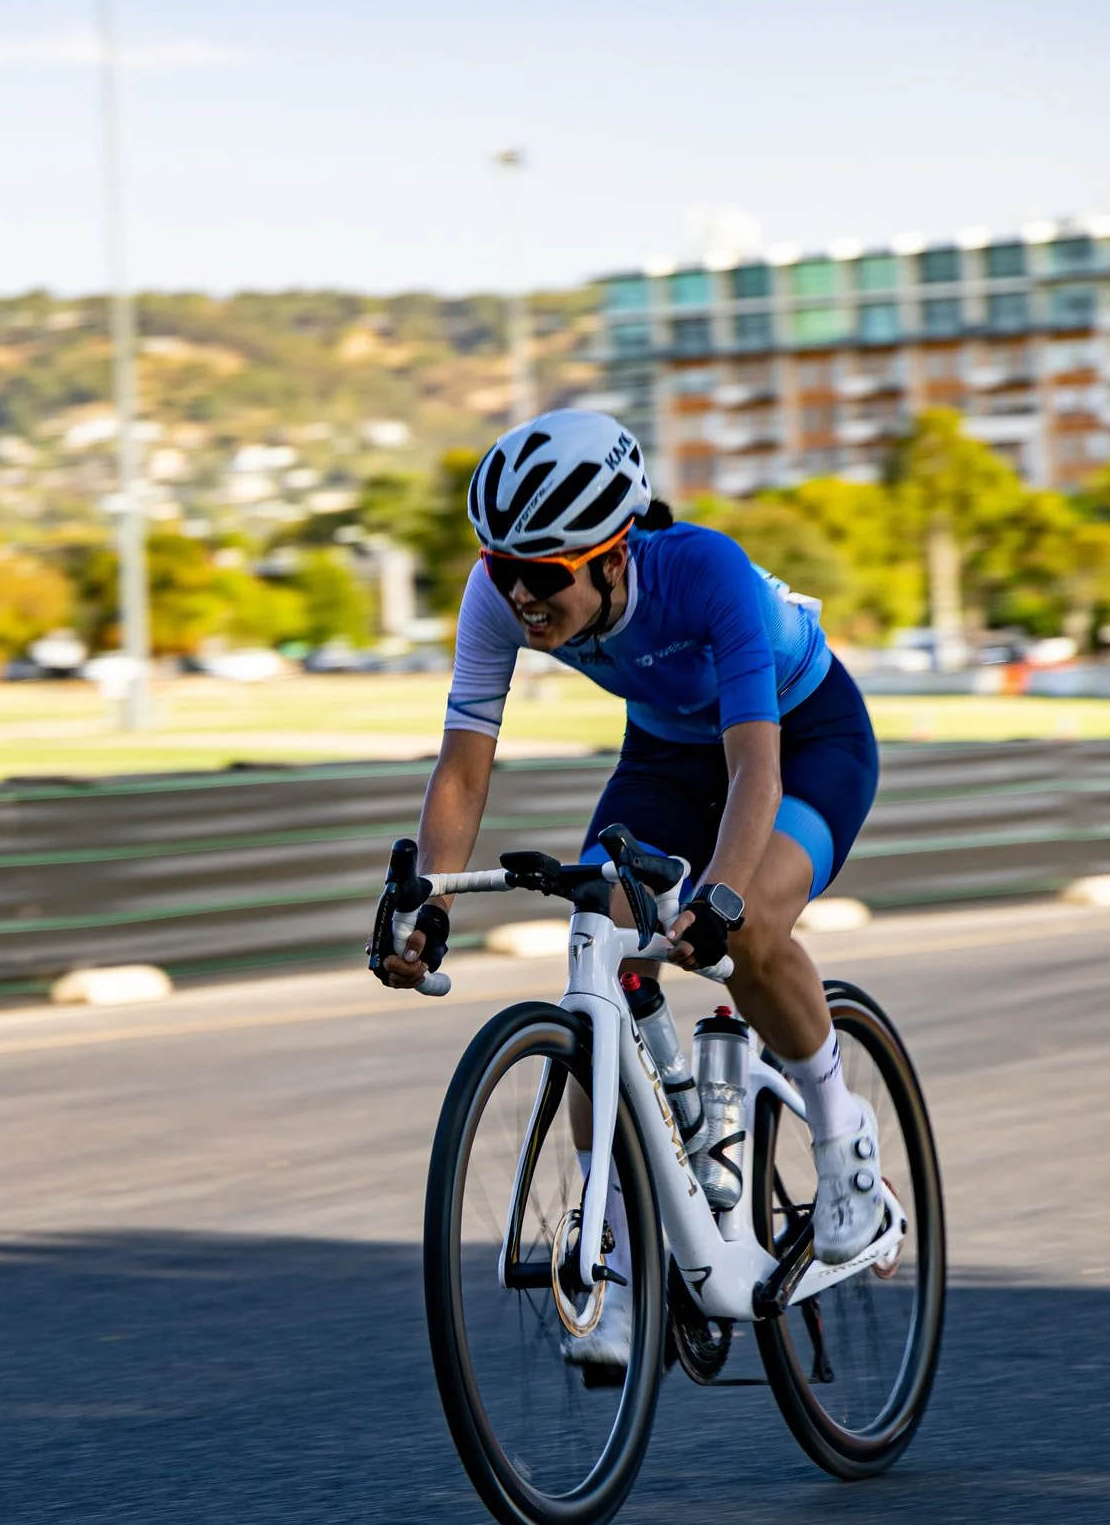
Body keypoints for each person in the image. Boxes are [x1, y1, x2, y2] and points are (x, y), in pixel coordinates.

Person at [375, 409, 886, 1368]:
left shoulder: (706, 573)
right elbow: (462, 766)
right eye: (500, 568)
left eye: (545, 574)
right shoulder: (498, 596)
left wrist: (722, 897)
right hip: (666, 752)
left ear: (614, 557)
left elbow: (755, 776)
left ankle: (842, 1131)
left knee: (751, 931)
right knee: (595, 940)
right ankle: (613, 1263)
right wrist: (430, 900)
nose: (519, 594)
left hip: (802, 740)